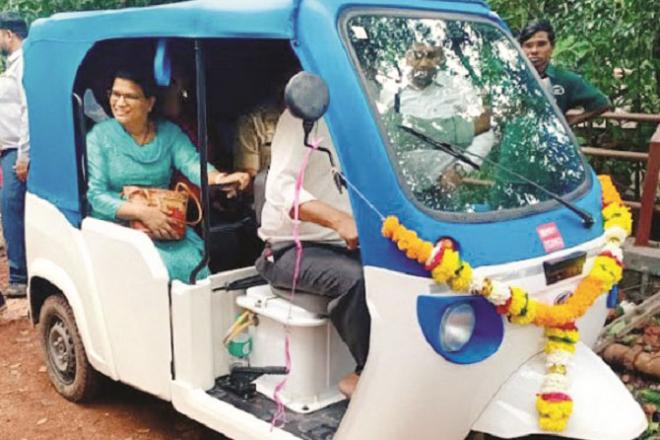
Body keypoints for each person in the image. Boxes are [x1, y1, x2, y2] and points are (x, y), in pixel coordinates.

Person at [86, 69, 249, 282]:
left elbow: (192, 164)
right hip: (117, 228)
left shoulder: (169, 133)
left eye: (130, 96)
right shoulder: (99, 136)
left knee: (195, 267)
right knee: (158, 270)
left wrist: (220, 179)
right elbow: (96, 196)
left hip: (163, 222)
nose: (119, 102)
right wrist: (141, 213)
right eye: (115, 94)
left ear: (149, 103)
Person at [255, 110, 368, 398]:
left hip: (345, 246)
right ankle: (366, 374)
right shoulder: (304, 116)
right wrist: (339, 220)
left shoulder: (364, 115)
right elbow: (281, 189)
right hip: (288, 249)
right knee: (357, 280)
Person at [383, 42, 493, 192]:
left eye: (430, 56)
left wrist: (461, 169)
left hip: (447, 187)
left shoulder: (458, 87)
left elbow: (484, 131)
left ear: (440, 58)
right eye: (418, 56)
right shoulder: (391, 91)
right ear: (407, 57)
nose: (423, 63)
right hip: (401, 188)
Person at [519, 20, 611, 125]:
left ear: (552, 47)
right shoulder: (511, 76)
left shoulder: (564, 79)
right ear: (521, 48)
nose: (534, 50)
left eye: (541, 44)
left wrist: (569, 123)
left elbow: (602, 103)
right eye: (528, 45)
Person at [0, 12, 29, 299]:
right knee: (12, 209)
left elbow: (26, 111)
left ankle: (20, 276)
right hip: (9, 150)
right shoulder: (14, 65)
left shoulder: (24, 63)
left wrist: (23, 155)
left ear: (8, 35)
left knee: (11, 208)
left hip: (16, 152)